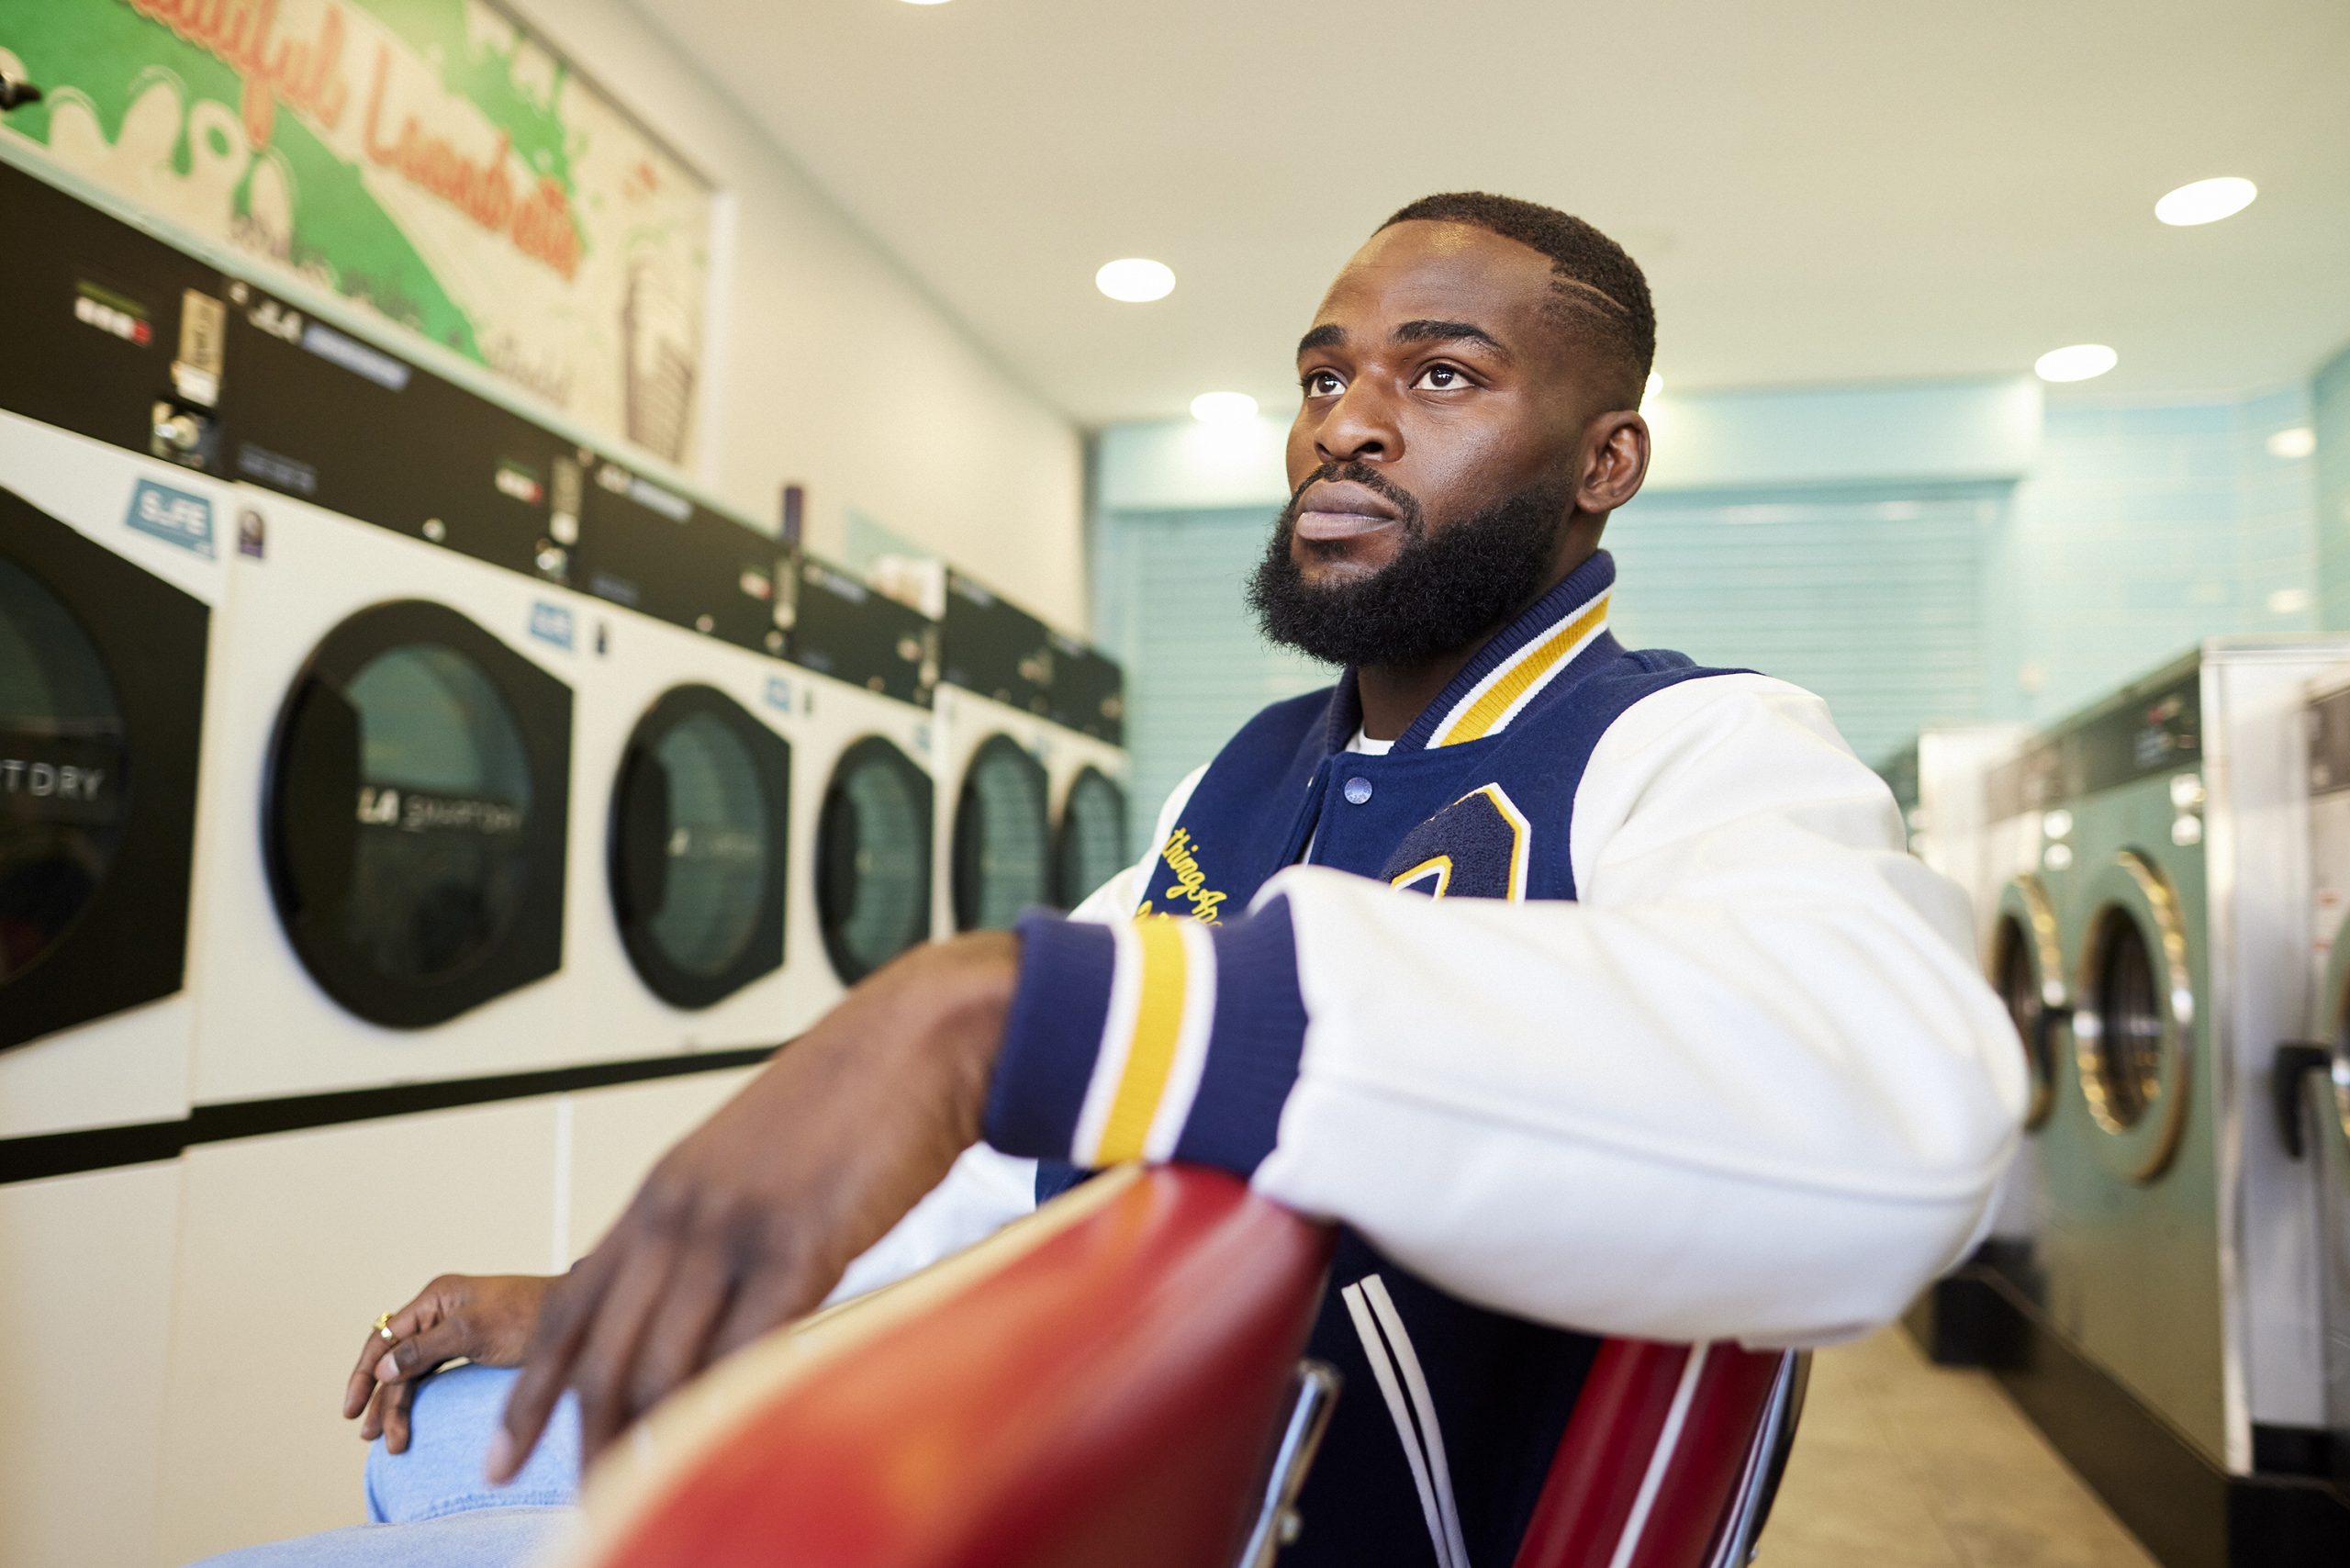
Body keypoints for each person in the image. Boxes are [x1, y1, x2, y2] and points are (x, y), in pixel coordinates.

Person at [208, 192, 2023, 1567]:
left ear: (1601, 463)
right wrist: (611, 1285)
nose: (1346, 421)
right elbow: (1001, 1167)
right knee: (446, 1427)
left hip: (1274, 1515)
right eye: (1322, 376)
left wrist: (1002, 995)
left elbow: (1905, 1116)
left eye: (1439, 374)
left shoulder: (1689, 743)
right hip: (1113, 1445)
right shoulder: (1251, 776)